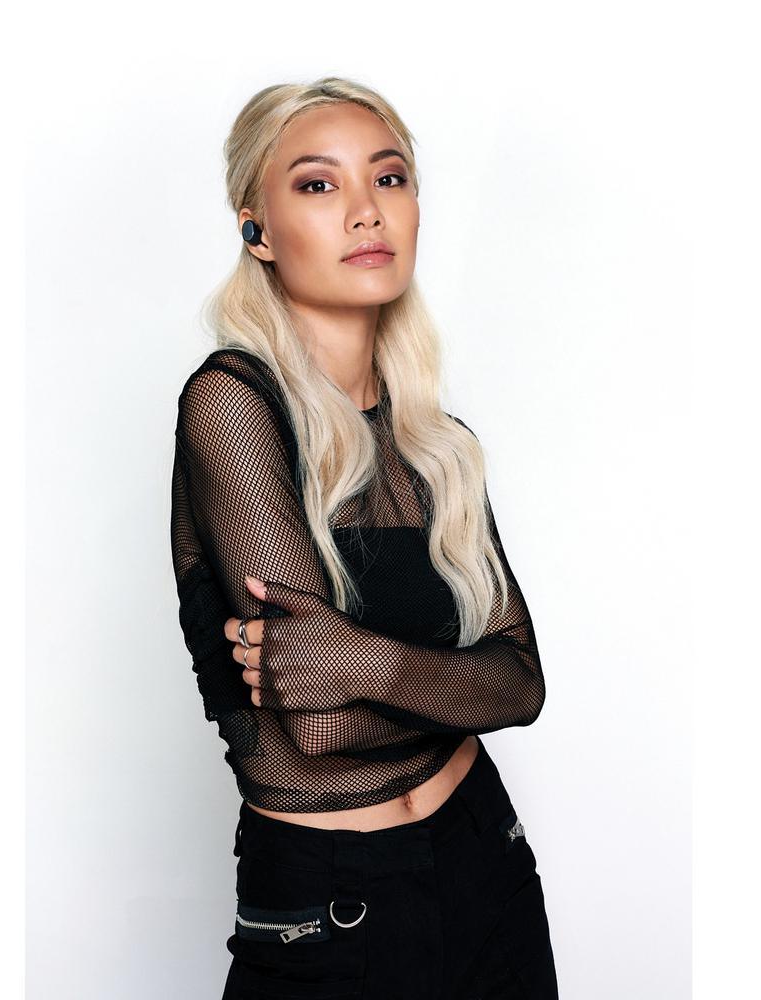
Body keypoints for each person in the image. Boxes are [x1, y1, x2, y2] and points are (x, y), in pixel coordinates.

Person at [170, 76, 559, 999]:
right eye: (318, 184)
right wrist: (451, 678)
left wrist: (361, 661)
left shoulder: (437, 442)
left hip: (488, 858)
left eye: (388, 178)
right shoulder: (232, 405)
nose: (364, 211)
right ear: (257, 231)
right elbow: (318, 727)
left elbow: (522, 684)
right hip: (330, 908)